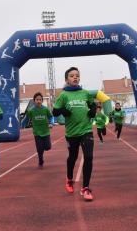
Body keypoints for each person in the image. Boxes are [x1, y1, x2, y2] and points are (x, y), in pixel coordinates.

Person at [53, 67, 97, 201]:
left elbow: (93, 105)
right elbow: (54, 112)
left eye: (77, 75)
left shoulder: (85, 93)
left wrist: (93, 111)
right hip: (72, 132)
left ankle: (86, 188)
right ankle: (69, 178)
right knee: (73, 156)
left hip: (86, 129)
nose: (75, 78)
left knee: (88, 157)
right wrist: (62, 111)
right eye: (72, 76)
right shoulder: (63, 95)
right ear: (67, 79)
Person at [25, 92, 53, 168]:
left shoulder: (45, 109)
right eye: (37, 99)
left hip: (46, 132)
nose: (38, 101)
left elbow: (51, 117)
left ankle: (43, 147)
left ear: (42, 101)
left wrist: (51, 123)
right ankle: (41, 160)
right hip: (37, 133)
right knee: (39, 149)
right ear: (34, 101)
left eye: (40, 99)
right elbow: (26, 118)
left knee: (48, 147)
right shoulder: (31, 111)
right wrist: (22, 125)